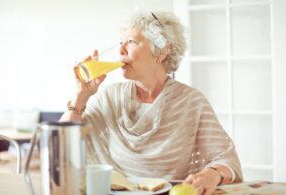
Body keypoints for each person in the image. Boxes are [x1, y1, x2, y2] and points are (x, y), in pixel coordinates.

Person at [60, 10, 242, 195]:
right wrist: (81, 94)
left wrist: (212, 174)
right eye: (120, 43)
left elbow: (226, 159)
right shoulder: (110, 97)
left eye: (131, 42)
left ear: (162, 51)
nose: (121, 50)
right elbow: (62, 144)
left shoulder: (191, 102)